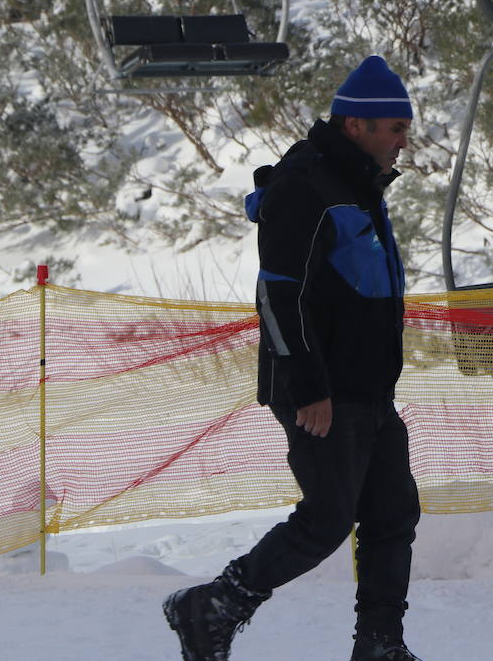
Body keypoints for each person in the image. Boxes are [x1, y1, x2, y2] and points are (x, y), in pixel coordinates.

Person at [164, 55, 423, 661]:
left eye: (405, 128)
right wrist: (309, 385)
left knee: (392, 513)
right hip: (320, 388)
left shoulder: (357, 186)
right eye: (393, 129)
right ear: (355, 126)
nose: (403, 141)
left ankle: (381, 645)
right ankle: (212, 606)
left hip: (367, 387)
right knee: (328, 518)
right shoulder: (307, 187)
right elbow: (276, 294)